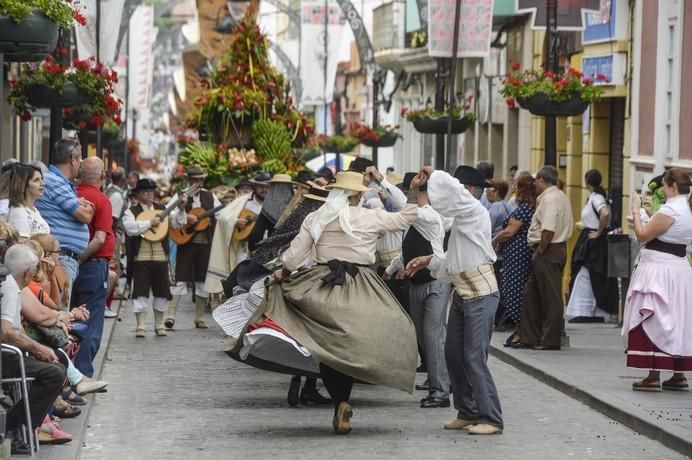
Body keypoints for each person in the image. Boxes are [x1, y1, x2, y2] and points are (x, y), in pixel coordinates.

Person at [253, 171, 419, 434]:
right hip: (362, 284)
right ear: (357, 195)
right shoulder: (370, 216)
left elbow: (295, 255)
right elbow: (406, 217)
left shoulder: (316, 217)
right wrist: (413, 191)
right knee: (366, 337)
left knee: (329, 347)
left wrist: (281, 274)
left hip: (322, 284)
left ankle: (339, 401)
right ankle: (350, 395)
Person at [405, 165, 504, 435]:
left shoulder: (476, 212)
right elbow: (451, 257)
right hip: (464, 294)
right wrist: (414, 191)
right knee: (453, 355)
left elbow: (452, 192)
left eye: (461, 188)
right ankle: (468, 411)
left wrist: (434, 172)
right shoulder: (461, 221)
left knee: (473, 356)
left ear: (470, 191)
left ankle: (491, 418)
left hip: (482, 295)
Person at [384, 172, 450, 409]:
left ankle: (441, 392)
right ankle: (437, 379)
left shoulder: (429, 216)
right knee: (423, 337)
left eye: (412, 193)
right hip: (415, 283)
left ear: (423, 195)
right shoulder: (411, 220)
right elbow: (405, 251)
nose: (408, 197)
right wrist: (391, 270)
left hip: (435, 282)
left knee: (432, 337)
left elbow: (407, 207)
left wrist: (384, 182)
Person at [623, 168, 692, 392]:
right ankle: (678, 374)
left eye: (664, 184)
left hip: (660, 270)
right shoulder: (687, 208)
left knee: (655, 318)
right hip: (678, 269)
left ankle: (653, 375)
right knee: (676, 320)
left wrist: (635, 211)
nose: (662, 188)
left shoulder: (672, 209)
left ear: (672, 185)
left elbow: (643, 235)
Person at [1, 242, 68, 451]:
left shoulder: (12, 285)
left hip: (10, 352)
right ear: (28, 272)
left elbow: (16, 330)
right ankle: (13, 426)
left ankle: (18, 425)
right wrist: (39, 349)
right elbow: (6, 331)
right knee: (55, 373)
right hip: (5, 356)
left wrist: (40, 349)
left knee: (57, 361)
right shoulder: (10, 288)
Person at [518, 165, 573, 350]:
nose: (535, 184)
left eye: (536, 181)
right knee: (530, 293)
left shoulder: (550, 200)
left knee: (550, 297)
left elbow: (548, 229)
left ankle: (550, 339)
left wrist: (540, 251)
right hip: (551, 249)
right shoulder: (558, 196)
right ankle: (530, 336)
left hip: (548, 250)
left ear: (542, 180)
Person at [72, 157, 115, 377]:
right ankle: (82, 373)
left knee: (70, 317)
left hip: (69, 265)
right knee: (90, 321)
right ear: (102, 176)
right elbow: (99, 239)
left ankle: (68, 373)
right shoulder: (101, 200)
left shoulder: (72, 196)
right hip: (92, 265)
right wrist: (80, 259)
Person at [35, 138, 94, 293]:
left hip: (64, 257)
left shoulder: (62, 183)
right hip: (61, 257)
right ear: (72, 160)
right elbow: (85, 215)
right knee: (61, 310)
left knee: (63, 308)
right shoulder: (54, 181)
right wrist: (87, 207)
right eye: (80, 159)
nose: (80, 163)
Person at [169, 165, 222, 329]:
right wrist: (185, 217)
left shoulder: (210, 196)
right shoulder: (179, 196)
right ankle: (171, 315)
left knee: (201, 279)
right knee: (180, 278)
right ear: (188, 180)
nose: (198, 183)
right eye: (194, 180)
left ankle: (199, 318)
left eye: (200, 180)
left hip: (205, 244)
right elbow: (169, 215)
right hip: (186, 242)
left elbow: (222, 215)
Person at [566, 169, 618, 323]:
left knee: (587, 275)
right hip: (590, 239)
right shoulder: (595, 197)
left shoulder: (597, 198)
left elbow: (605, 213)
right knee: (588, 275)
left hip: (593, 241)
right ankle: (589, 310)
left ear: (587, 181)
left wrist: (598, 232)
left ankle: (587, 310)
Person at [122, 179, 172, 337]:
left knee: (162, 291)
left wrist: (182, 210)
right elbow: (130, 228)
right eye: (145, 192)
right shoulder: (131, 211)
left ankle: (159, 324)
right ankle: (141, 325)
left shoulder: (162, 209)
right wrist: (150, 222)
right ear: (137, 195)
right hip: (141, 257)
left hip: (160, 256)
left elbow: (178, 222)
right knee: (140, 291)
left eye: (151, 192)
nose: (149, 194)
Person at [491, 175, 537, 346]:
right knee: (513, 291)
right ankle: (520, 329)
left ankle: (521, 329)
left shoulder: (525, 208)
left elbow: (510, 232)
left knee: (514, 292)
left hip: (518, 258)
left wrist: (494, 241)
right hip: (516, 256)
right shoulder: (529, 207)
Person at [7, 164, 50, 238]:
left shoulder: (33, 210)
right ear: (23, 185)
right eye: (36, 180)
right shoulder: (19, 212)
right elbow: (23, 245)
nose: (43, 183)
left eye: (41, 179)